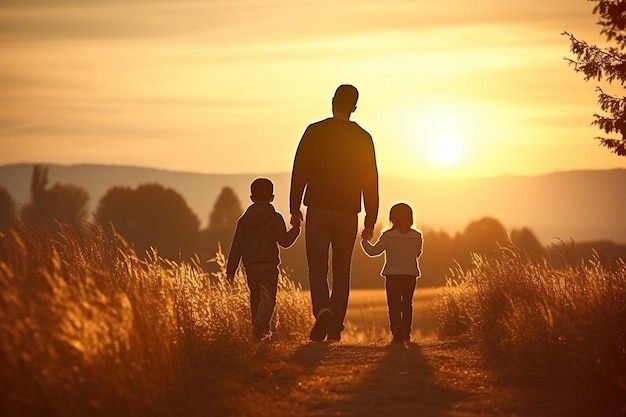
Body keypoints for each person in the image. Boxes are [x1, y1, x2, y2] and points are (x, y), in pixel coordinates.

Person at [290, 84, 379, 342]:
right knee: (342, 272)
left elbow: (300, 170)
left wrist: (294, 207)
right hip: (348, 212)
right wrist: (371, 219)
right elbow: (370, 180)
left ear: (332, 102)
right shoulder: (363, 137)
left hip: (317, 208)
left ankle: (323, 310)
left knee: (316, 269)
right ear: (354, 107)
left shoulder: (314, 131)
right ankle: (334, 328)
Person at [226, 178, 300, 340]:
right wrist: (296, 229)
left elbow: (236, 247)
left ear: (251, 198)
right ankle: (260, 325)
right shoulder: (275, 218)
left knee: (256, 300)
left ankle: (259, 336)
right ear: (272, 197)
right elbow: (285, 242)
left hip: (251, 268)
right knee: (268, 300)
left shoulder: (243, 221)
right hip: (269, 266)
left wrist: (230, 271)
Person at [360, 202, 423, 343]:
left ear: (392, 218)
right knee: (407, 304)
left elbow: (373, 252)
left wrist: (364, 241)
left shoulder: (388, 236)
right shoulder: (417, 236)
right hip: (410, 275)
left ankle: (397, 329)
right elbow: (417, 253)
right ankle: (406, 333)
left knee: (393, 304)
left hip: (392, 275)